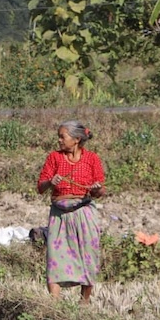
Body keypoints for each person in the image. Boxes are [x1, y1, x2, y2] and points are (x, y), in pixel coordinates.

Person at [36, 120, 106, 303]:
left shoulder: (92, 159)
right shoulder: (54, 158)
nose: (59, 140)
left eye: (62, 137)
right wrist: (51, 182)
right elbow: (40, 187)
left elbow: (99, 191)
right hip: (59, 215)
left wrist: (96, 188)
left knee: (88, 256)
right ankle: (54, 304)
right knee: (55, 257)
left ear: (76, 139)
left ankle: (84, 302)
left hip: (84, 213)